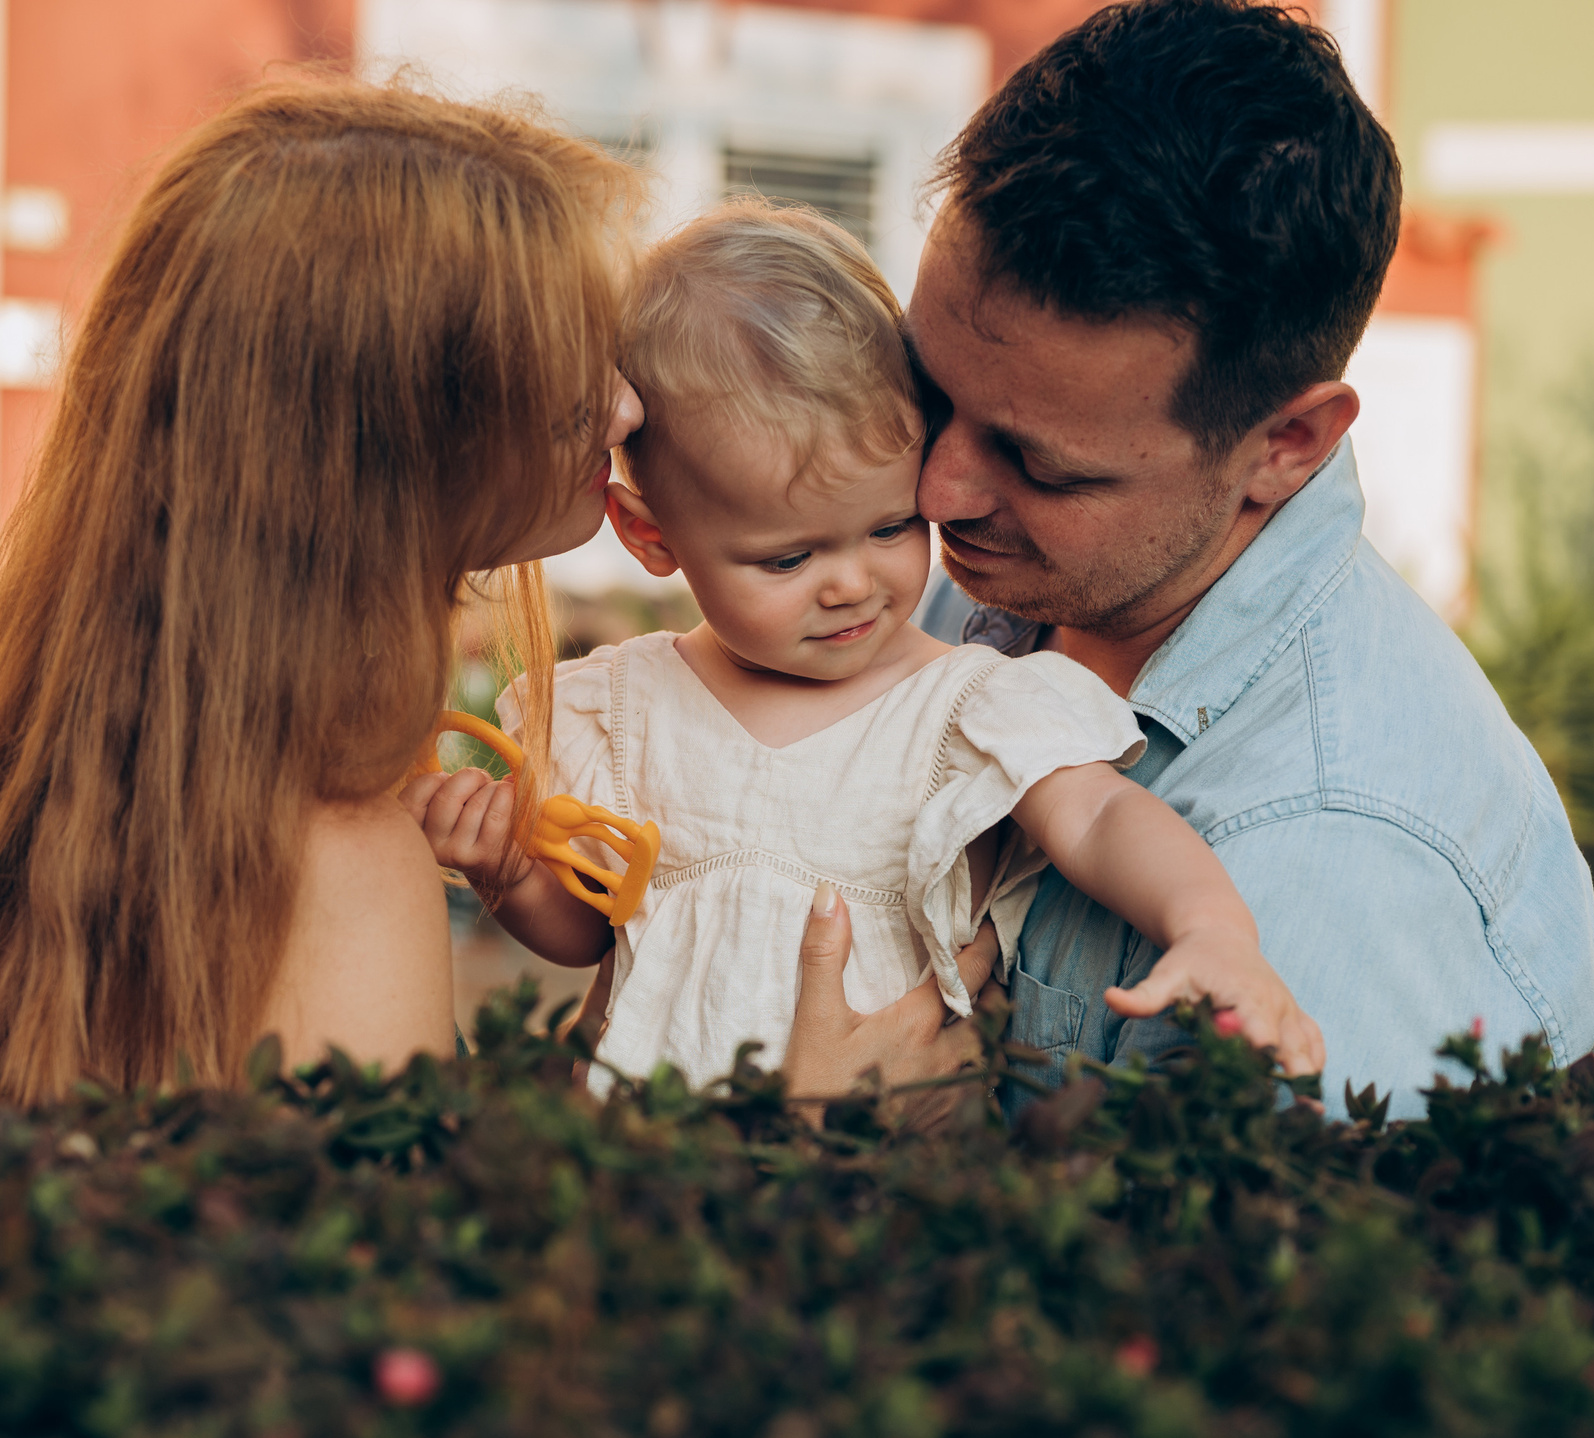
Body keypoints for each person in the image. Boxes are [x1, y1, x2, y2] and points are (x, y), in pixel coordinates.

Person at [781, 0, 1594, 1120]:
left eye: (1040, 464)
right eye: (927, 394)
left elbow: (1218, 1291)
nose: (935, 495)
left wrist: (846, 1142)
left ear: (1284, 445)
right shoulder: (1009, 580)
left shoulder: (1328, 856)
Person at [0, 79, 643, 1108]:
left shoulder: (19, 776)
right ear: (377, 446)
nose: (624, 404)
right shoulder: (335, 864)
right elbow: (405, 1265)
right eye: (563, 372)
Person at [405, 204, 1324, 1093]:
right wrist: (511, 871)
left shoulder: (961, 704)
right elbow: (591, 935)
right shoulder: (626, 711)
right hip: (647, 1172)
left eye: (889, 527)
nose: (852, 583)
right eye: (790, 557)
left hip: (879, 1175)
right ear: (650, 537)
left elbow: (1098, 817)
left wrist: (1209, 927)